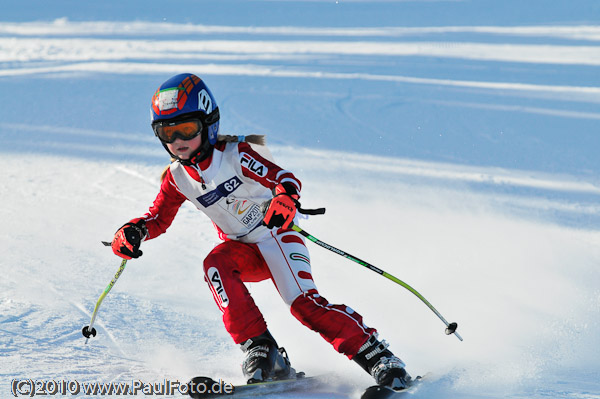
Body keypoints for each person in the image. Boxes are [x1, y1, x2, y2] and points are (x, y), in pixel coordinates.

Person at [111, 73, 410, 389]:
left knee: (304, 306)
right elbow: (157, 219)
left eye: (186, 129)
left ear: (208, 123)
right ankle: (262, 350)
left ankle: (379, 358)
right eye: (167, 132)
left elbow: (285, 179)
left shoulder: (236, 153)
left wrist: (285, 198)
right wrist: (132, 232)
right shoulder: (176, 177)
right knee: (216, 264)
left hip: (277, 237)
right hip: (243, 250)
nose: (178, 141)